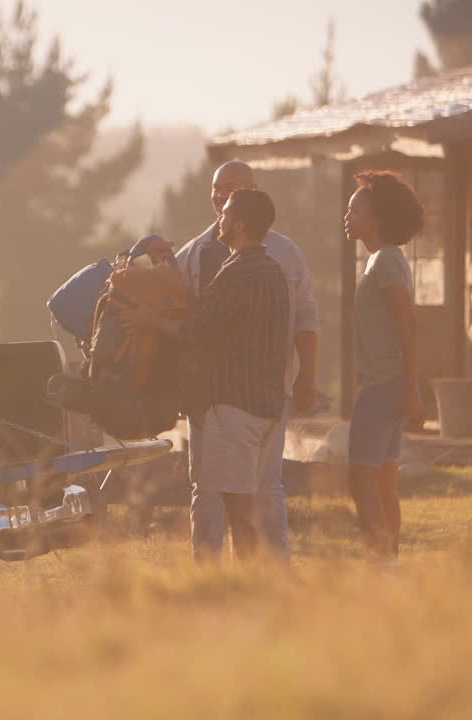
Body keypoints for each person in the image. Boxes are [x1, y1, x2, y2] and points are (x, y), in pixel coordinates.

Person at [122, 189, 291, 563]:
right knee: (248, 504)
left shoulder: (237, 272)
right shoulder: (272, 271)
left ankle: (243, 589)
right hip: (266, 406)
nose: (220, 218)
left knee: (238, 510)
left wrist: (150, 320)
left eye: (226, 213)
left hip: (233, 407)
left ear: (240, 224)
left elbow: (197, 330)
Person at [174, 161, 319, 565]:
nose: (223, 196)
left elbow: (306, 316)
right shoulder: (193, 255)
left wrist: (308, 374)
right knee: (206, 486)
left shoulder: (284, 255)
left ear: (253, 193)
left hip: (265, 390)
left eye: (234, 189)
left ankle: (272, 568)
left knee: (264, 485)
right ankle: (209, 567)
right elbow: (179, 309)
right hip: (211, 394)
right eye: (219, 187)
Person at [344, 170, 426, 561]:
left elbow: (407, 323)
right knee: (382, 481)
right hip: (388, 384)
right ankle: (388, 564)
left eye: (355, 209)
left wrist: (412, 390)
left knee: (360, 480)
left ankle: (378, 562)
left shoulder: (386, 261)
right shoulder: (381, 260)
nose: (347, 216)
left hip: (384, 386)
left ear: (376, 217)